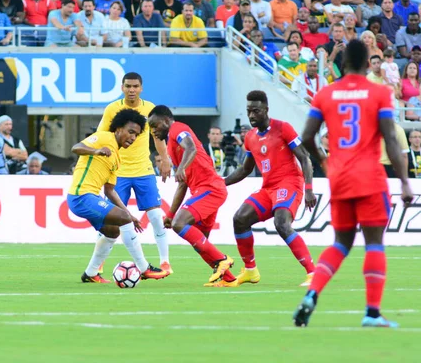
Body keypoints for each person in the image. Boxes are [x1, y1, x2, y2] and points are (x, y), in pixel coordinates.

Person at [294, 39, 413, 328]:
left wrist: (325, 160)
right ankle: (372, 312)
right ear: (365, 63)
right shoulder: (379, 93)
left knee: (340, 243)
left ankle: (312, 293)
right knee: (374, 243)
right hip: (370, 178)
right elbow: (392, 140)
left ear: (343, 63)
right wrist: (405, 182)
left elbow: (307, 136)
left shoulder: (326, 94)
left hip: (339, 177)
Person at [223, 91, 316, 287]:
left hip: (290, 183)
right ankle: (250, 271)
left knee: (281, 223)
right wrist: (221, 182)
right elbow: (245, 169)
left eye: (256, 111)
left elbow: (305, 158)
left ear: (266, 110)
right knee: (240, 219)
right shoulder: (250, 137)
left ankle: (313, 273)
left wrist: (308, 189)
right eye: (249, 111)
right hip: (268, 188)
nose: (251, 115)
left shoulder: (283, 128)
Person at [69, 108, 170, 283]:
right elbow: (76, 147)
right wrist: (96, 151)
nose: (132, 137)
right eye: (130, 132)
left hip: (90, 198)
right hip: (80, 196)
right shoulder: (104, 137)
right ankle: (144, 268)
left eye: (136, 135)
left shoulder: (116, 157)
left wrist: (130, 215)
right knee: (122, 219)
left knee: (113, 230)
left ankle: (91, 273)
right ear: (118, 129)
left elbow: (110, 191)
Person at [148, 105, 237, 287]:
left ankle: (223, 259)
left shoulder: (177, 129)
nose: (153, 130)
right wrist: (170, 214)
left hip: (210, 189)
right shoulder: (172, 146)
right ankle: (229, 279)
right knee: (200, 243)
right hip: (205, 191)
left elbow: (191, 148)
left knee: (180, 224)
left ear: (166, 121)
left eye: (155, 125)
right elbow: (182, 184)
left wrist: (180, 168)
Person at [96, 72, 172, 273]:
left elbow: (158, 137)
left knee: (156, 215)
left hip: (143, 170)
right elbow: (101, 135)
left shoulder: (150, 108)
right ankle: (99, 262)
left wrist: (165, 159)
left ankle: (165, 262)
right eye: (128, 86)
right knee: (110, 219)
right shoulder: (112, 109)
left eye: (135, 86)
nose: (131, 90)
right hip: (117, 171)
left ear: (141, 88)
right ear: (122, 87)